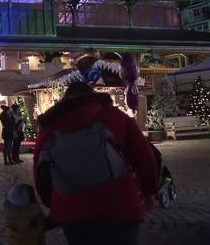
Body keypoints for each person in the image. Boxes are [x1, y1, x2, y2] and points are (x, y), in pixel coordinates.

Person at [33, 82, 157, 245]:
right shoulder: (115, 116)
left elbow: (40, 172)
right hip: (119, 204)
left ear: (65, 99)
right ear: (92, 95)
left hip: (72, 211)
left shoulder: (50, 127)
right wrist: (149, 191)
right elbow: (144, 156)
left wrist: (52, 202)